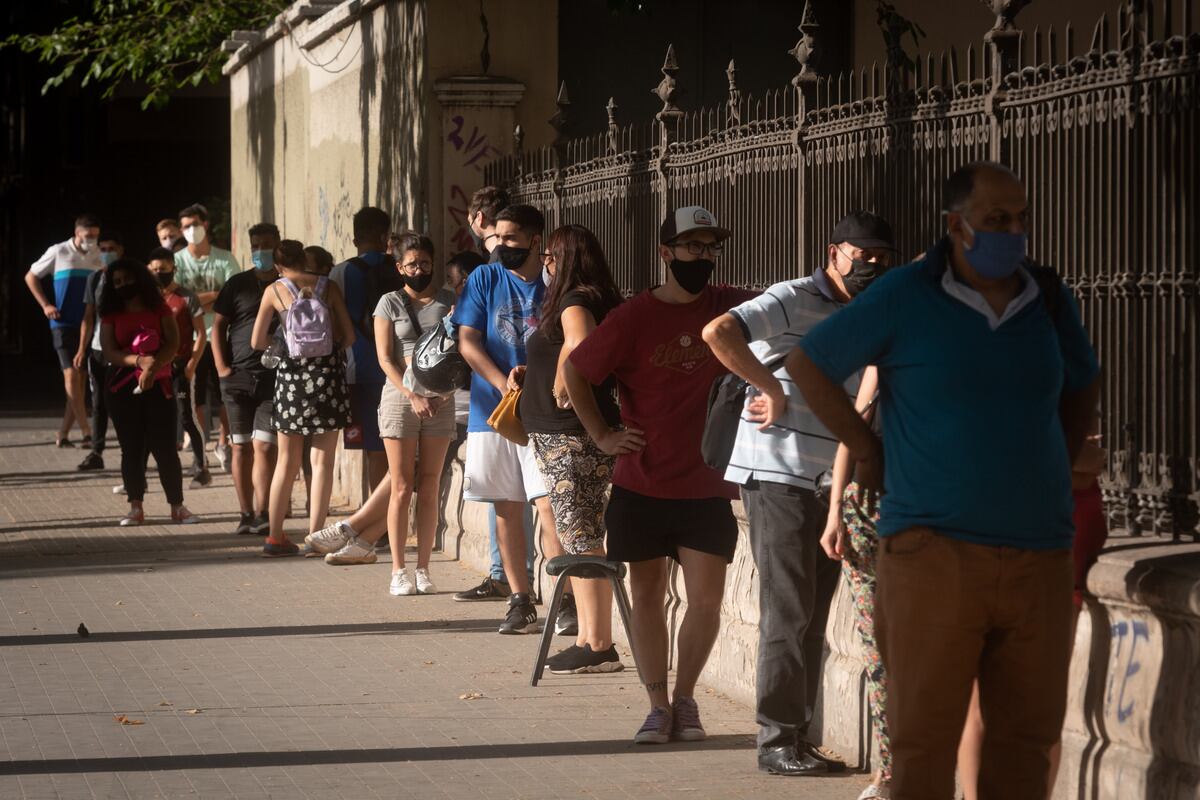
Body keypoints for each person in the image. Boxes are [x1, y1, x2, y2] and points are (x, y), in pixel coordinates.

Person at [787, 161, 1101, 798]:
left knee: (1027, 745)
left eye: (1019, 219)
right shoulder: (907, 292)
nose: (1011, 232)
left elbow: (1082, 380)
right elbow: (809, 363)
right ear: (955, 225)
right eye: (995, 220)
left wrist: (1058, 463)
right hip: (931, 551)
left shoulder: (1045, 293)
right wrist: (865, 449)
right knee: (923, 746)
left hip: (1038, 552)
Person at [702, 210, 895, 776]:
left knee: (812, 614)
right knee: (787, 610)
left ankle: (799, 735)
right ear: (834, 253)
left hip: (831, 484)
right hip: (778, 475)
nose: (873, 267)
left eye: (883, 259)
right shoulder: (791, 298)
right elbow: (719, 332)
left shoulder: (870, 316)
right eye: (863, 256)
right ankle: (776, 741)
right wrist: (767, 387)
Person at [564, 205, 757, 744]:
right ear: (666, 253)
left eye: (710, 247)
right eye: (692, 247)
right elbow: (576, 371)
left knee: (706, 602)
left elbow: (791, 315)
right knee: (647, 598)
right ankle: (655, 705)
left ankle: (686, 698)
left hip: (707, 486)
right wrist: (603, 434)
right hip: (641, 484)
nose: (703, 257)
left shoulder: (730, 306)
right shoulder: (634, 316)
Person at [957, 414, 1110, 800]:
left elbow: (1092, 461)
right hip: (1003, 549)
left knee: (1044, 704)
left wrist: (1071, 453)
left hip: (1060, 557)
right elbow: (1081, 459)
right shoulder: (1012, 389)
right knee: (984, 700)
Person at [519, 224, 626, 674]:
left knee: (579, 536)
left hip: (572, 438)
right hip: (564, 435)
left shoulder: (575, 299)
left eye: (550, 258)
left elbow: (578, 345)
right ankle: (587, 635)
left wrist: (563, 376)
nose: (544, 265)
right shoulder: (594, 297)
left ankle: (599, 643)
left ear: (565, 260)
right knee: (576, 533)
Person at [451, 203, 561, 635]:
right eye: (497, 238)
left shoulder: (555, 281)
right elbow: (468, 341)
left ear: (536, 240)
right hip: (493, 413)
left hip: (547, 412)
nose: (502, 246)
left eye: (512, 239)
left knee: (549, 505)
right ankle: (519, 598)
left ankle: (564, 597)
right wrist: (503, 383)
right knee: (506, 506)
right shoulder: (484, 278)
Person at [251, 240, 354, 557]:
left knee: (286, 460)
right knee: (322, 461)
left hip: (291, 381)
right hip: (327, 381)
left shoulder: (274, 291)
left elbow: (256, 341)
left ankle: (275, 536)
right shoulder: (328, 286)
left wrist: (281, 343)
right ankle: (316, 537)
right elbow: (349, 336)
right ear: (304, 259)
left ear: (278, 265)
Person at [367, 232, 457, 592]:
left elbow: (460, 352)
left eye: (424, 263)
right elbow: (385, 358)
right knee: (402, 485)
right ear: (399, 266)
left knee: (431, 484)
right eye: (411, 264)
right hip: (399, 399)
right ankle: (398, 571)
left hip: (441, 401)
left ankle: (424, 569)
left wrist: (443, 395)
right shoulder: (388, 303)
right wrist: (412, 394)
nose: (419, 269)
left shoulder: (450, 301)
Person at [98, 257, 198, 526]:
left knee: (164, 446)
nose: (122, 285)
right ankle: (135, 507)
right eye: (116, 282)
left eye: (127, 279)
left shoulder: (159, 308)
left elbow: (173, 342)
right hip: (121, 387)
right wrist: (139, 362)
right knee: (131, 447)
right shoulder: (110, 313)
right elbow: (109, 352)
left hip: (160, 385)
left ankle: (177, 506)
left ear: (139, 279)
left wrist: (153, 368)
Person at [213, 222, 281, 536]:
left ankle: (264, 511)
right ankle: (244, 512)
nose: (260, 251)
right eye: (255, 245)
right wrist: (222, 368)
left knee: (265, 447)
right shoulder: (237, 284)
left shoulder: (286, 285)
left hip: (274, 379)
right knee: (240, 448)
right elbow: (217, 328)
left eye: (266, 245)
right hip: (237, 377)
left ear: (278, 246)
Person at [330, 207, 396, 492]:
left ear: (355, 237)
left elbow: (333, 327)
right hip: (401, 371)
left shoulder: (339, 273)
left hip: (359, 371)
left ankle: (376, 521)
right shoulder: (401, 267)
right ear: (385, 236)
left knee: (374, 447)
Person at [25, 214, 102, 448]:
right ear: (77, 233)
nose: (92, 240)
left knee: (79, 379)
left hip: (87, 324)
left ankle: (64, 433)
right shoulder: (58, 251)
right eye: (88, 236)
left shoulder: (98, 255)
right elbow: (31, 276)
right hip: (62, 323)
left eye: (96, 236)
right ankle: (87, 431)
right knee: (71, 374)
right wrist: (46, 305)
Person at [175, 204, 241, 473]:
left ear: (206, 225)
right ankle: (201, 447)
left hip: (222, 337)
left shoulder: (225, 259)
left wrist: (196, 301)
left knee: (226, 393)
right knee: (195, 398)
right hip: (188, 340)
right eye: (186, 226)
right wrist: (214, 296)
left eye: (196, 224)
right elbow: (179, 302)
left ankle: (223, 444)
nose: (192, 230)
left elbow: (233, 297)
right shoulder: (177, 261)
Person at [146, 247, 211, 487]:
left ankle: (201, 467)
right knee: (152, 418)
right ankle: (138, 476)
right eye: (153, 269)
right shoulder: (147, 299)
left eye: (162, 269)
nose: (158, 273)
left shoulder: (186, 297)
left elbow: (201, 334)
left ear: (173, 268)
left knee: (186, 417)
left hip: (180, 367)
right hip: (153, 368)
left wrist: (192, 364)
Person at [73, 233, 125, 470]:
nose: (106, 251)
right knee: (98, 402)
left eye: (110, 247)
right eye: (102, 248)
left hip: (123, 349)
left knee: (123, 401)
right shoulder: (94, 279)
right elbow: (88, 316)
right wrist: (81, 349)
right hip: (97, 349)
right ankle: (97, 451)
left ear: (120, 250)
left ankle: (130, 448)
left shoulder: (130, 278)